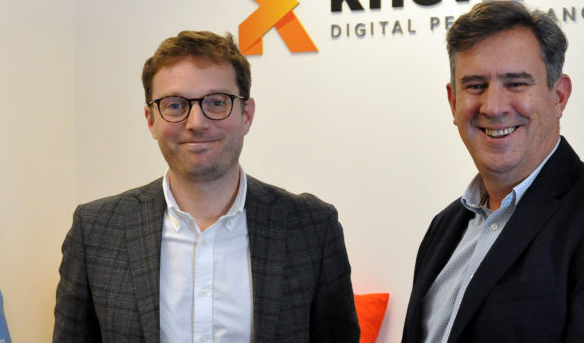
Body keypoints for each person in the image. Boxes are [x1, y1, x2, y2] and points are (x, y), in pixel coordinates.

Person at [402, 0, 584, 342]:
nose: (493, 107)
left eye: (516, 84)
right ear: (453, 101)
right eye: (475, 85)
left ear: (559, 96)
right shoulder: (445, 226)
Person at [54, 31, 360, 342]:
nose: (197, 123)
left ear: (247, 115)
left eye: (216, 102)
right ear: (151, 120)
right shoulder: (95, 231)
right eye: (175, 105)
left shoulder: (312, 227)